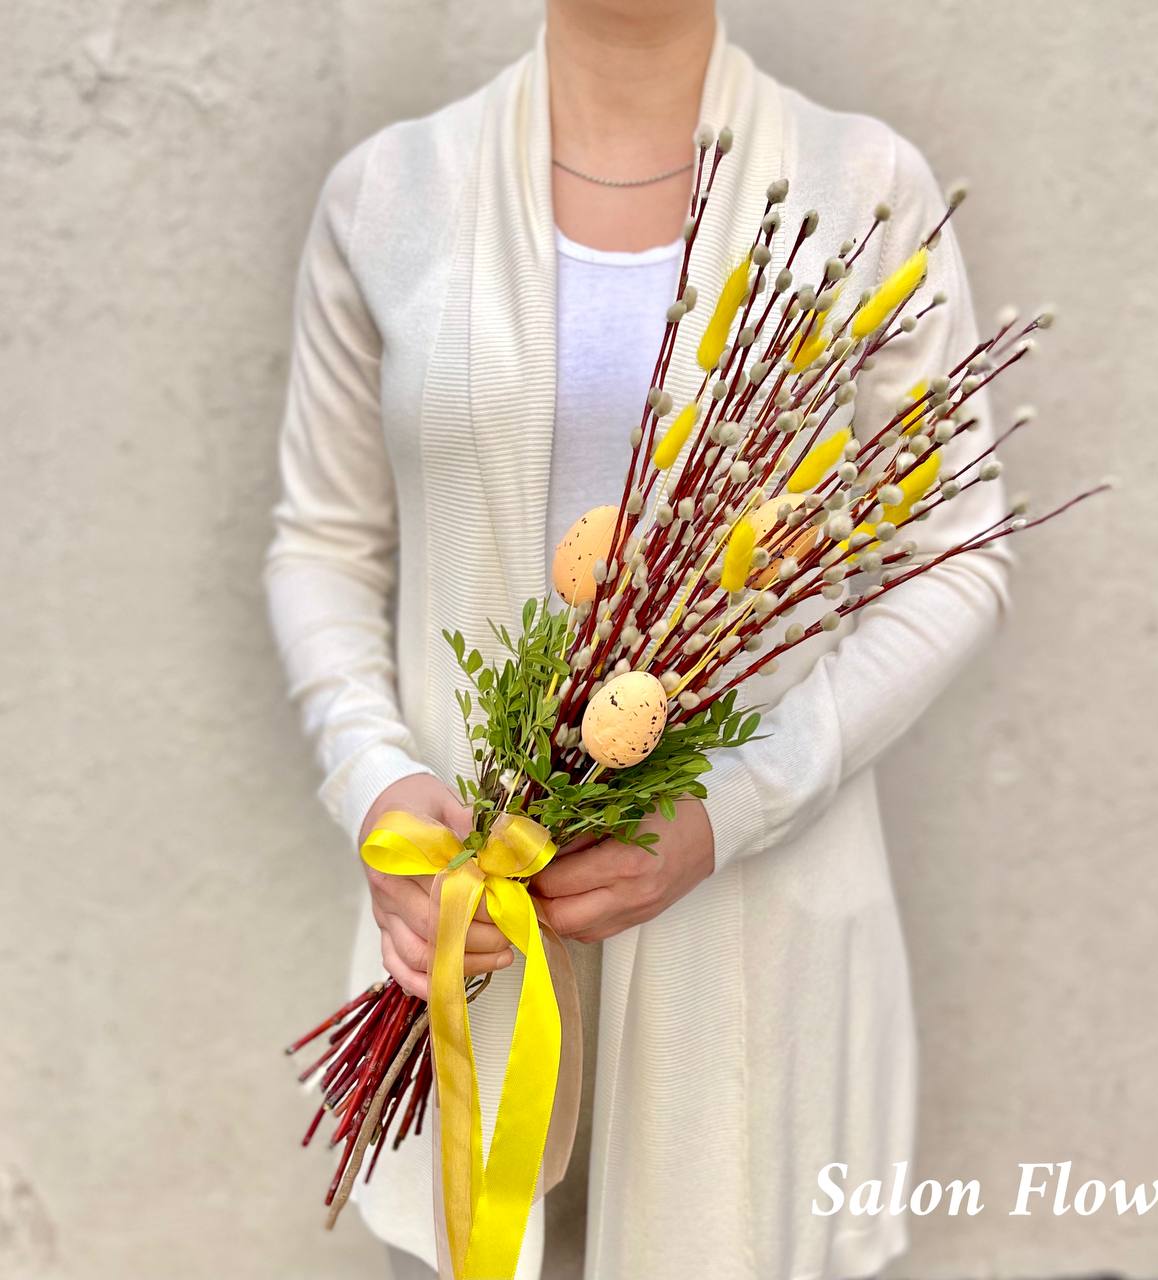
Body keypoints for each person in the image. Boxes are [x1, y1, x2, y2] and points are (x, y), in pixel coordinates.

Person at [264, 1, 1011, 1277]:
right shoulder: (388, 195)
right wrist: (373, 776)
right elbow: (323, 542)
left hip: (758, 940)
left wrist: (737, 800)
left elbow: (956, 555)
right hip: (467, 942)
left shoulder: (860, 190)